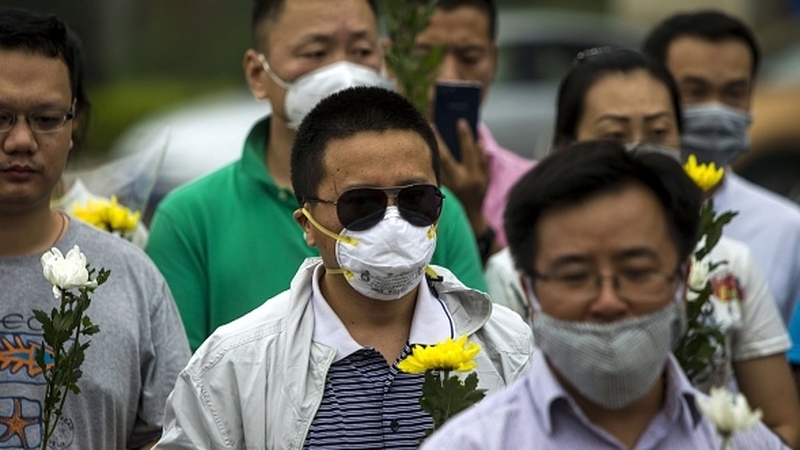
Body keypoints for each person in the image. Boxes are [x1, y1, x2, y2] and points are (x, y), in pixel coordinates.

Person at [153, 86, 533, 449]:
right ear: (307, 225)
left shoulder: (509, 349)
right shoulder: (233, 368)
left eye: (415, 198)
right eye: (361, 205)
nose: (394, 223)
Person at [484, 47, 800, 447]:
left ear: (682, 279)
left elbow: (781, 425)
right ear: (565, 144)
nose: (639, 151)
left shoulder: (729, 264)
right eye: (614, 134)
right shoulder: (514, 272)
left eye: (657, 132)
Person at [145, 0, 487, 352]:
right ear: (257, 73)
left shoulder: (427, 208)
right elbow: (185, 389)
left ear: (385, 60)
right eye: (315, 52)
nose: (343, 70)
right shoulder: (190, 219)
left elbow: (479, 357)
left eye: (361, 50)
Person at [421, 141, 788, 449]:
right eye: (576, 276)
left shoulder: (742, 442)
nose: (608, 302)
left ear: (682, 280)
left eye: (637, 272)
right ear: (529, 291)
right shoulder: (471, 444)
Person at [0, 7, 190, 449]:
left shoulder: (130, 278)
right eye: (1, 116)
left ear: (74, 124)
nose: (21, 140)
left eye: (46, 119)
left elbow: (177, 435)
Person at [642, 10, 800, 325]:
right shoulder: (612, 216)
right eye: (695, 92)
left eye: (734, 93)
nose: (716, 109)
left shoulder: (787, 231)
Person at [411, 0, 535, 262]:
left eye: (469, 57)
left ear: (493, 59)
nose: (447, 76)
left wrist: (473, 217)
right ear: (392, 57)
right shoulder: (352, 176)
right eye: (425, 55)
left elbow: (528, 299)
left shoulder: (532, 187)